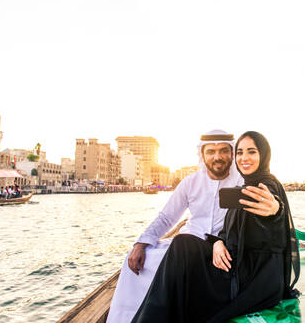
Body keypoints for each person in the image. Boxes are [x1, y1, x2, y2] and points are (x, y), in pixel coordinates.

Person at [106, 130, 280, 323]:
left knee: (182, 248)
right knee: (137, 261)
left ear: (232, 153)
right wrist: (140, 243)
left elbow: (269, 205)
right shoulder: (190, 182)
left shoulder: (243, 181)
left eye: (223, 150)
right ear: (202, 155)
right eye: (211, 151)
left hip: (222, 249)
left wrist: (275, 208)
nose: (217, 157)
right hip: (188, 244)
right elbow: (166, 218)